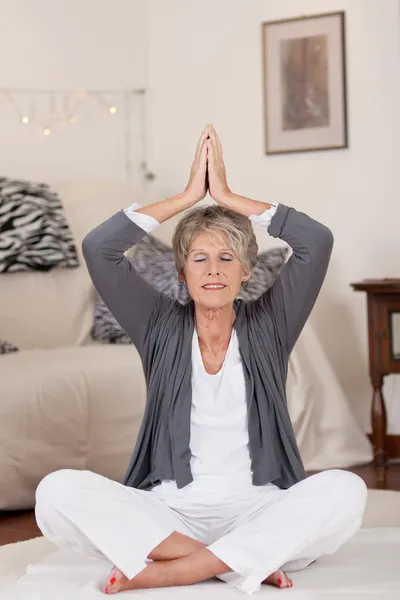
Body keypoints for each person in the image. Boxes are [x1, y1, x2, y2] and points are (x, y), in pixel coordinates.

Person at [35, 125, 367, 595]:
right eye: (199, 258)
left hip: (259, 507)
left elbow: (317, 242)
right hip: (170, 512)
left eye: (227, 257)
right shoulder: (157, 325)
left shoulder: (271, 324)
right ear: (181, 271)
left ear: (247, 271)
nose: (213, 269)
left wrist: (229, 196)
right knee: (55, 494)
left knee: (346, 492)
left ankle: (173, 569)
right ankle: (237, 560)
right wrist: (188, 196)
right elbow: (99, 249)